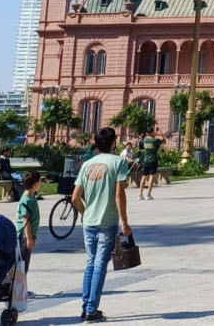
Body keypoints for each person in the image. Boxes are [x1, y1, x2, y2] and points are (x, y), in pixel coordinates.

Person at [70, 128, 133, 322]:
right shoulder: (119, 162)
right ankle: (91, 310)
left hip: (89, 222)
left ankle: (85, 306)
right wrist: (124, 222)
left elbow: (75, 198)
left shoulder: (87, 165)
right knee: (99, 265)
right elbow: (119, 195)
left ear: (96, 144)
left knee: (91, 263)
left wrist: (85, 212)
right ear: (114, 142)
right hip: (107, 221)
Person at [15, 171, 42, 274]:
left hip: (27, 236)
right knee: (22, 265)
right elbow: (26, 220)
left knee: (24, 263)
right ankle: (20, 283)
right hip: (24, 236)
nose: (41, 184)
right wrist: (29, 239)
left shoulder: (30, 197)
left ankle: (22, 282)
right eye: (40, 181)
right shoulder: (27, 200)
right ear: (35, 184)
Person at [137, 130, 161, 200]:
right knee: (151, 176)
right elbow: (163, 141)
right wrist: (161, 135)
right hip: (153, 160)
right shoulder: (155, 140)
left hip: (146, 160)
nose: (155, 133)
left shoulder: (145, 140)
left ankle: (140, 194)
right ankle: (148, 195)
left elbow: (140, 146)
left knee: (144, 176)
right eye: (154, 132)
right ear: (151, 132)